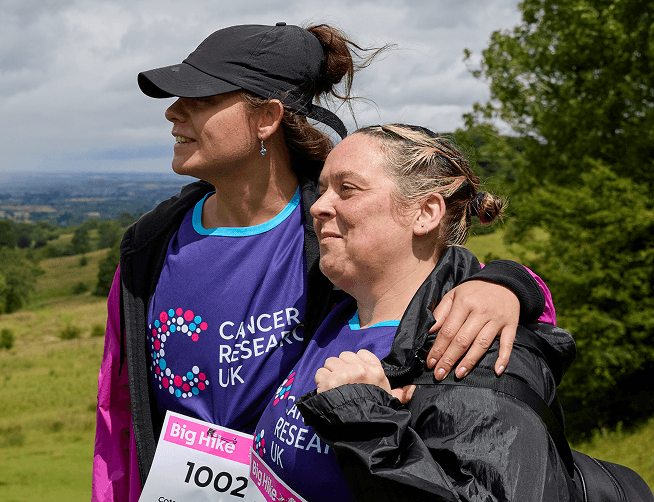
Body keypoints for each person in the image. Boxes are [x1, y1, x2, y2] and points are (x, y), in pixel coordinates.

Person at [92, 24, 557, 502]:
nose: (172, 112)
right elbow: (119, 410)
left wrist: (508, 284)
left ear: (266, 118)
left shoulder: (338, 241)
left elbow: (439, 285)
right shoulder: (149, 246)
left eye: (201, 97)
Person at [248, 124, 573, 501]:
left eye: (347, 189)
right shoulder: (331, 313)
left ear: (425, 212)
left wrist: (366, 419)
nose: (318, 206)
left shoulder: (469, 350)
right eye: (321, 191)